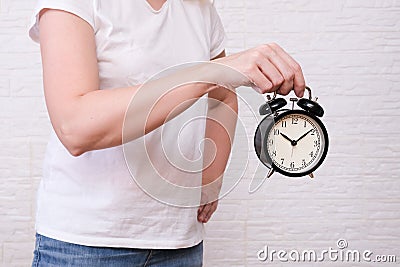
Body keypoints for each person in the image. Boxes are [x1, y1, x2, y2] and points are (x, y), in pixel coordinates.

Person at [28, 0, 306, 266]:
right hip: (86, 243)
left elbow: (222, 94)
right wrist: (210, 72)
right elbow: (75, 127)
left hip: (179, 244)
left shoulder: (199, 8)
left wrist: (211, 179)